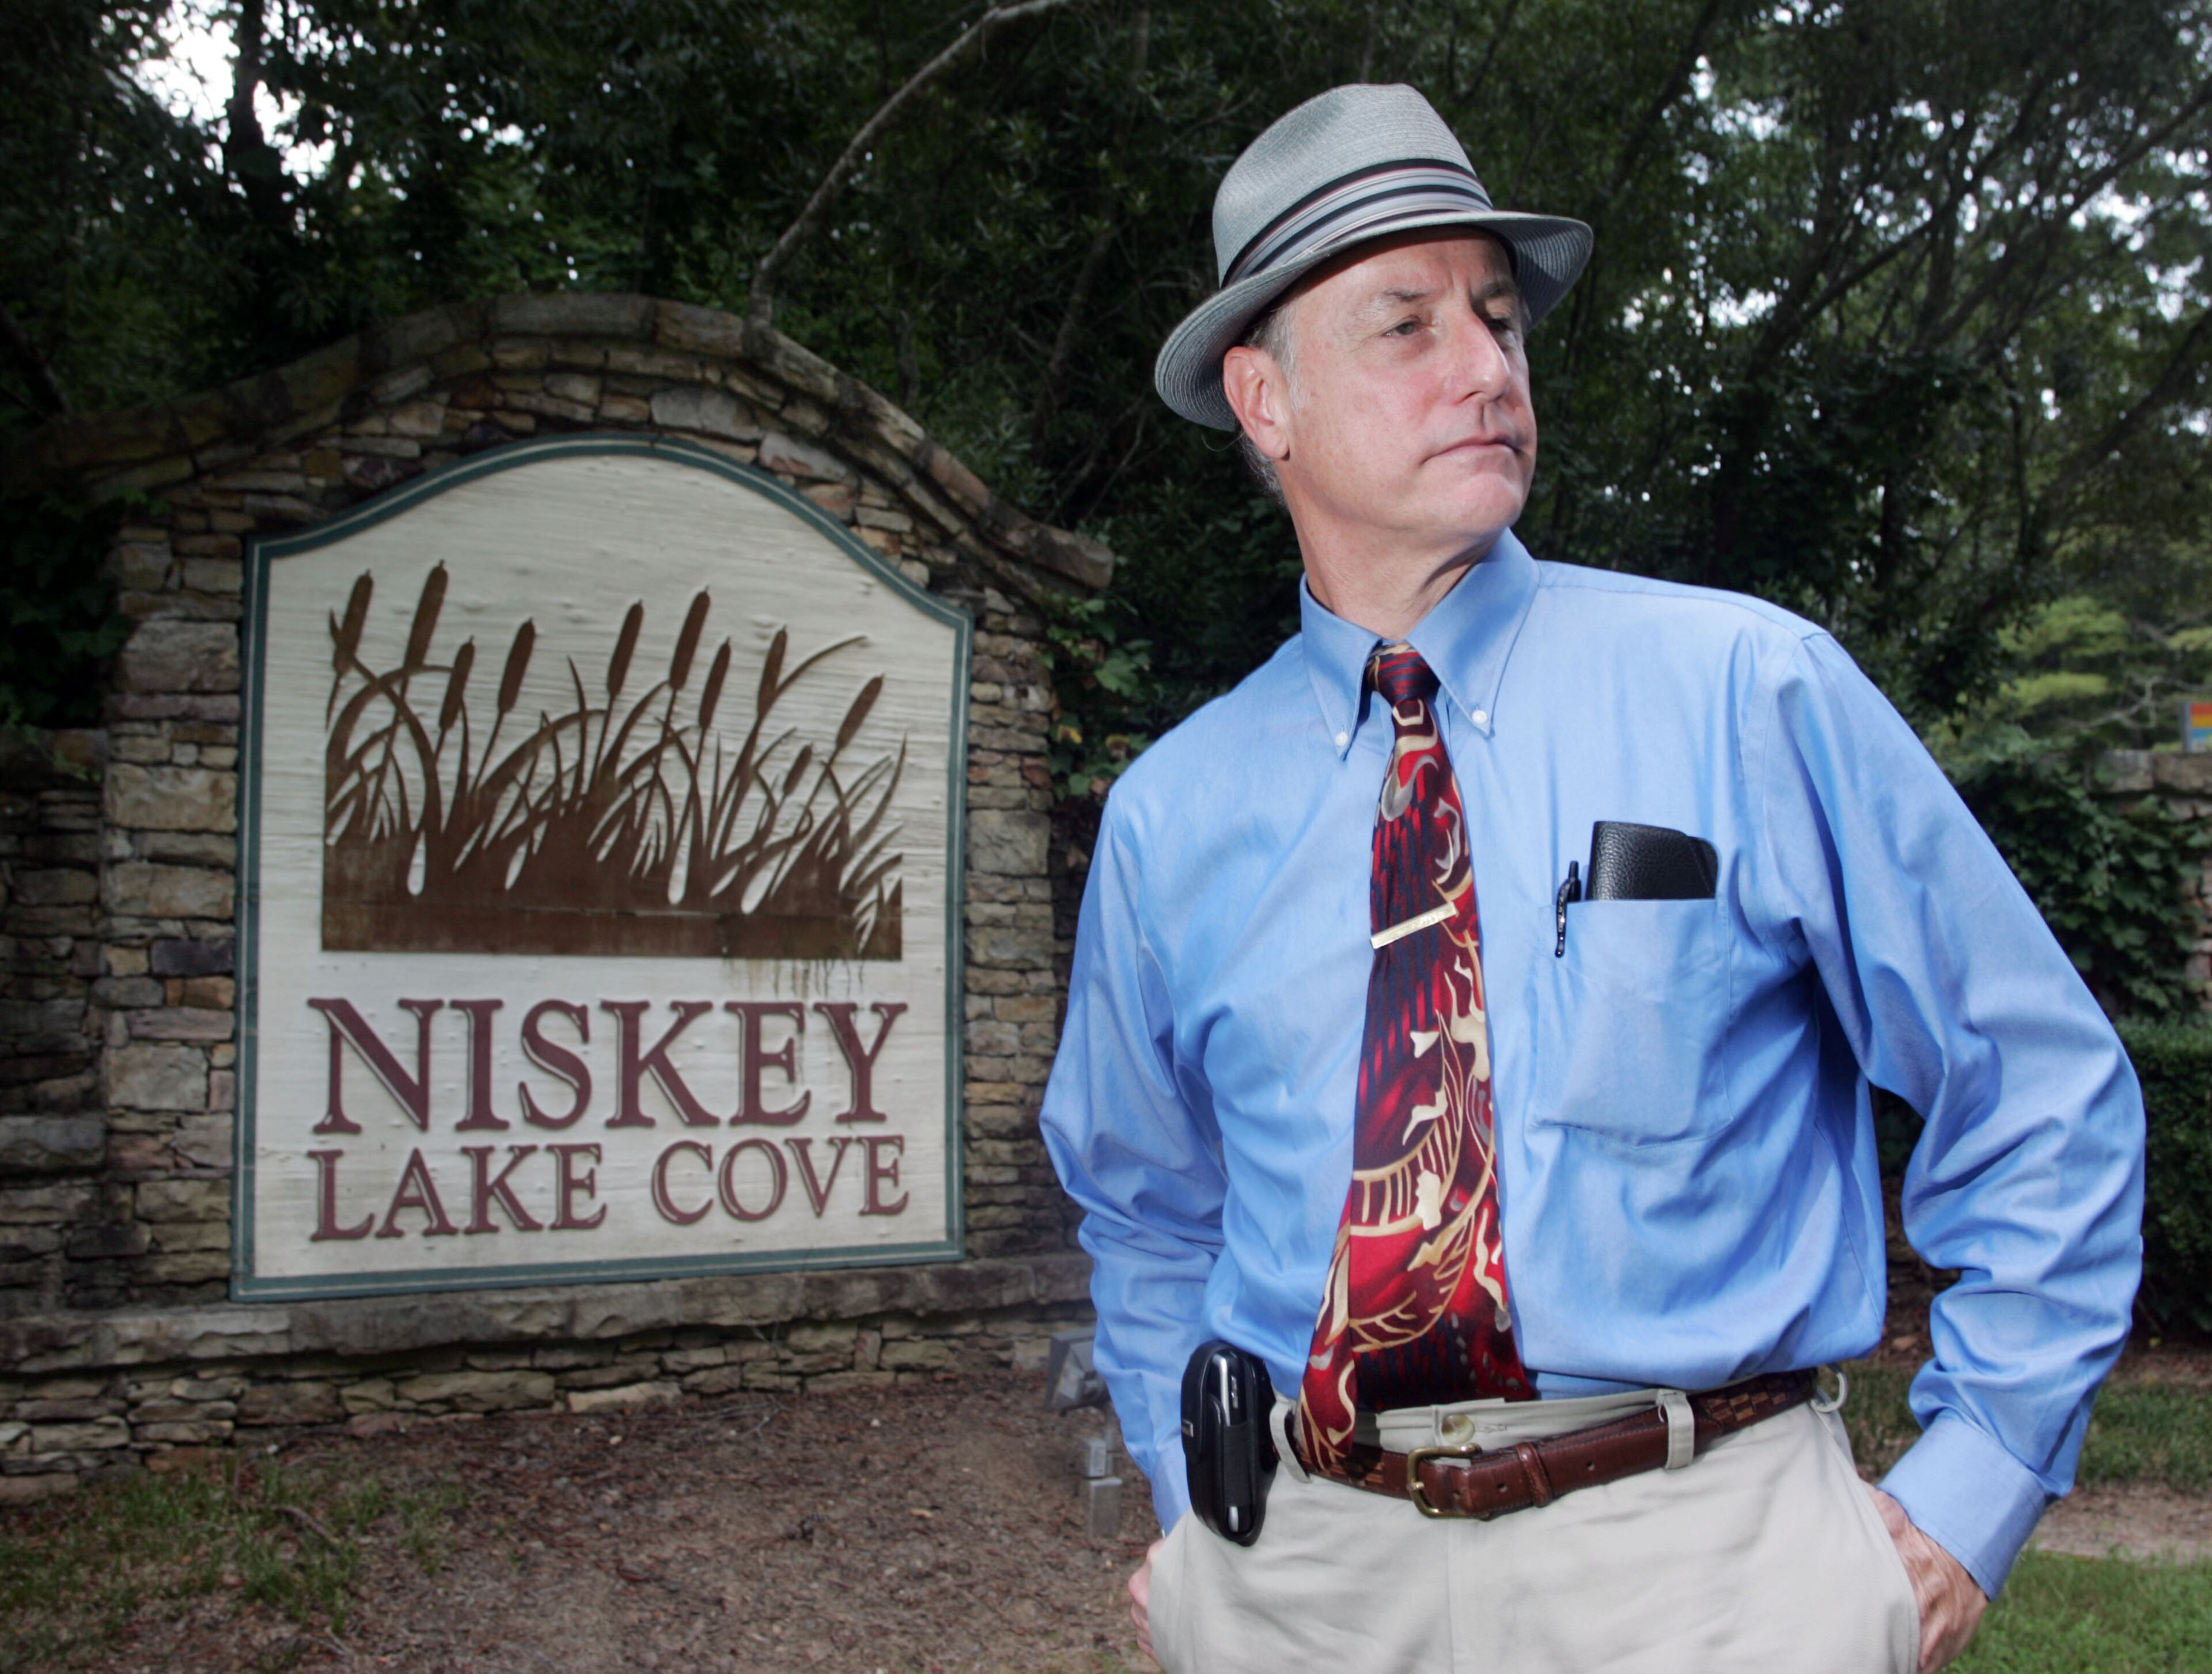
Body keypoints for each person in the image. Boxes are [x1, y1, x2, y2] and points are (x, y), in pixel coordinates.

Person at [1038, 83, 2144, 1674]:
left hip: (1709, 1574)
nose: (1487, 366)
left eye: (1498, 317)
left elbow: (2038, 1084)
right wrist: (1194, 1514)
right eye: (1407, 326)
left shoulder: (1750, 692)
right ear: (1265, 399)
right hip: (1307, 1583)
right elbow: (1141, 1202)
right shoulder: (1170, 816)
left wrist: (1967, 1498)